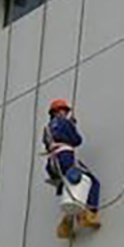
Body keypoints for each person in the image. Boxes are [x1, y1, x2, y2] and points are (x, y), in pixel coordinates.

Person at [43, 98, 101, 239]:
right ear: (59, 111)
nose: (65, 112)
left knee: (70, 190)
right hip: (65, 158)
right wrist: (72, 126)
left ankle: (65, 226)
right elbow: (77, 140)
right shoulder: (64, 122)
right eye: (64, 110)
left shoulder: (47, 128)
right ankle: (89, 214)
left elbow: (48, 144)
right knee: (92, 181)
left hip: (52, 164)